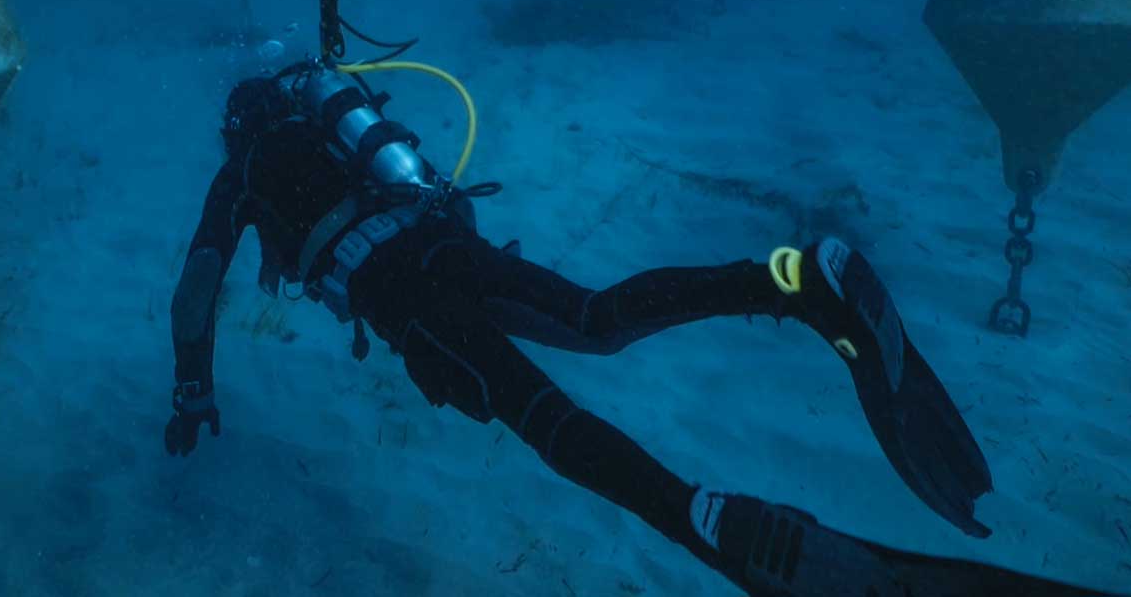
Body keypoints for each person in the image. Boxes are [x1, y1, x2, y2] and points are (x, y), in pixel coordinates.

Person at [164, 58, 1116, 597]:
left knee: (545, 421)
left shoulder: (241, 176)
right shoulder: (341, 126)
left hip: (405, 299)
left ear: (234, 131)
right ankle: (789, 279)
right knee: (595, 318)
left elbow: (197, 291)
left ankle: (695, 515)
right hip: (444, 243)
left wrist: (194, 383)